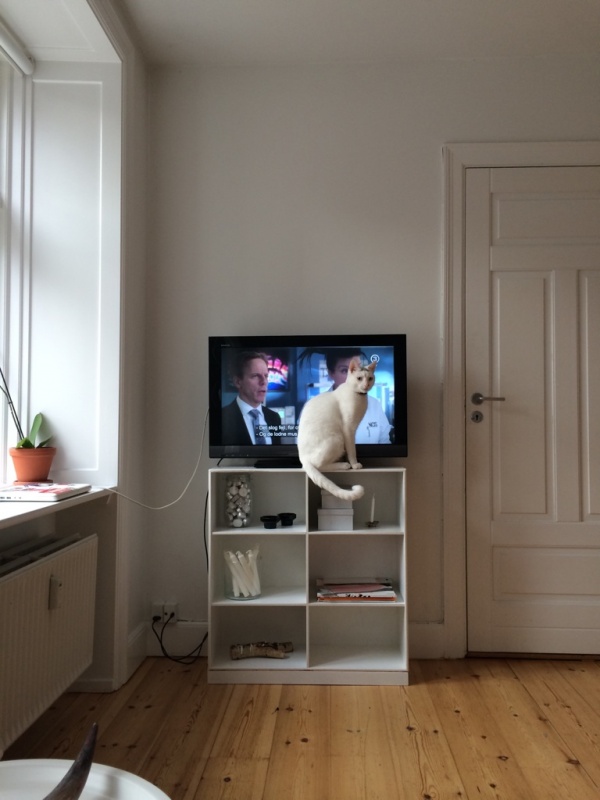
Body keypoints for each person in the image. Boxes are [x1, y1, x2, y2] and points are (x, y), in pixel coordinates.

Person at [326, 349, 392, 444]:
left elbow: (385, 443)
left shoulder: (374, 405)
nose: (354, 377)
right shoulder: (318, 407)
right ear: (331, 373)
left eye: (357, 369)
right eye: (345, 370)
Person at [221, 351, 282, 445]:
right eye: (255, 376)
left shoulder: (274, 418)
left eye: (266, 376)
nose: (264, 382)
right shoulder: (222, 418)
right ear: (238, 382)